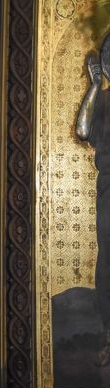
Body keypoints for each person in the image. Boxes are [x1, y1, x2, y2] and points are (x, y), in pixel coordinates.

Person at [76, 33, 110, 366]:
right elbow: (83, 130)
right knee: (109, 258)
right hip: (109, 189)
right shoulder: (103, 99)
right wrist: (94, 86)